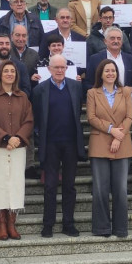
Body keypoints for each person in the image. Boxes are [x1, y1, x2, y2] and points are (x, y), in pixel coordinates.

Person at [32, 55, 87, 238]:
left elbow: (78, 111)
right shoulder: (40, 89)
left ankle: (68, 223)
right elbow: (37, 117)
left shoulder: (76, 86)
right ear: (49, 68)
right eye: (56, 67)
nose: (59, 70)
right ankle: (48, 224)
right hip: (51, 144)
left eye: (62, 67)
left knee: (69, 186)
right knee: (50, 186)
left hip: (71, 143)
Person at [0, 59, 34, 240]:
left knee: (16, 184)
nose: (10, 74)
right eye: (6, 71)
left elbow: (28, 120)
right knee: (0, 184)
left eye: (12, 71)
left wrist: (18, 138)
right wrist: (5, 137)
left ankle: (12, 222)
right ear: (0, 74)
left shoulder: (23, 97)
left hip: (18, 147)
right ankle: (2, 223)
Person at [86, 59, 132, 238]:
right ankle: (102, 228)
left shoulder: (126, 92)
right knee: (100, 189)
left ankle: (121, 228)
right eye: (107, 71)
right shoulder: (92, 93)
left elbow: (129, 117)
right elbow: (90, 117)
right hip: (100, 143)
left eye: (113, 70)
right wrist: (111, 130)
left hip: (122, 143)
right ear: (101, 73)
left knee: (121, 189)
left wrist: (118, 136)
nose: (110, 74)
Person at [86, 26, 132, 92]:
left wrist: (131, 88)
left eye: (119, 38)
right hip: (102, 98)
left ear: (122, 42)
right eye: (112, 38)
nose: (116, 41)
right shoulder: (95, 59)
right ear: (105, 41)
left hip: (125, 98)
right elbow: (88, 83)